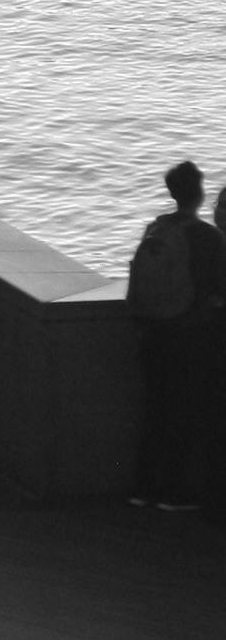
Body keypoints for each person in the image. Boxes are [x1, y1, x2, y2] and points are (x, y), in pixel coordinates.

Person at [123, 156, 221, 507]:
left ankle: (142, 487)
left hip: (151, 332)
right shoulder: (205, 237)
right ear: (200, 193)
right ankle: (175, 492)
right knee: (184, 411)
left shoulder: (157, 229)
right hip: (186, 336)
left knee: (155, 411)